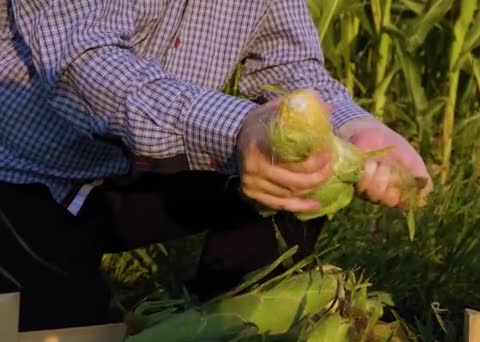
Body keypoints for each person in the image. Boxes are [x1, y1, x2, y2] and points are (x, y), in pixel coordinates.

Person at [0, 0, 433, 332]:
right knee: (68, 328)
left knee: (301, 177)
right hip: (27, 172)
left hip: (139, 164)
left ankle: (227, 320)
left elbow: (288, 64)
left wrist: (356, 129)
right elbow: (85, 62)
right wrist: (241, 128)